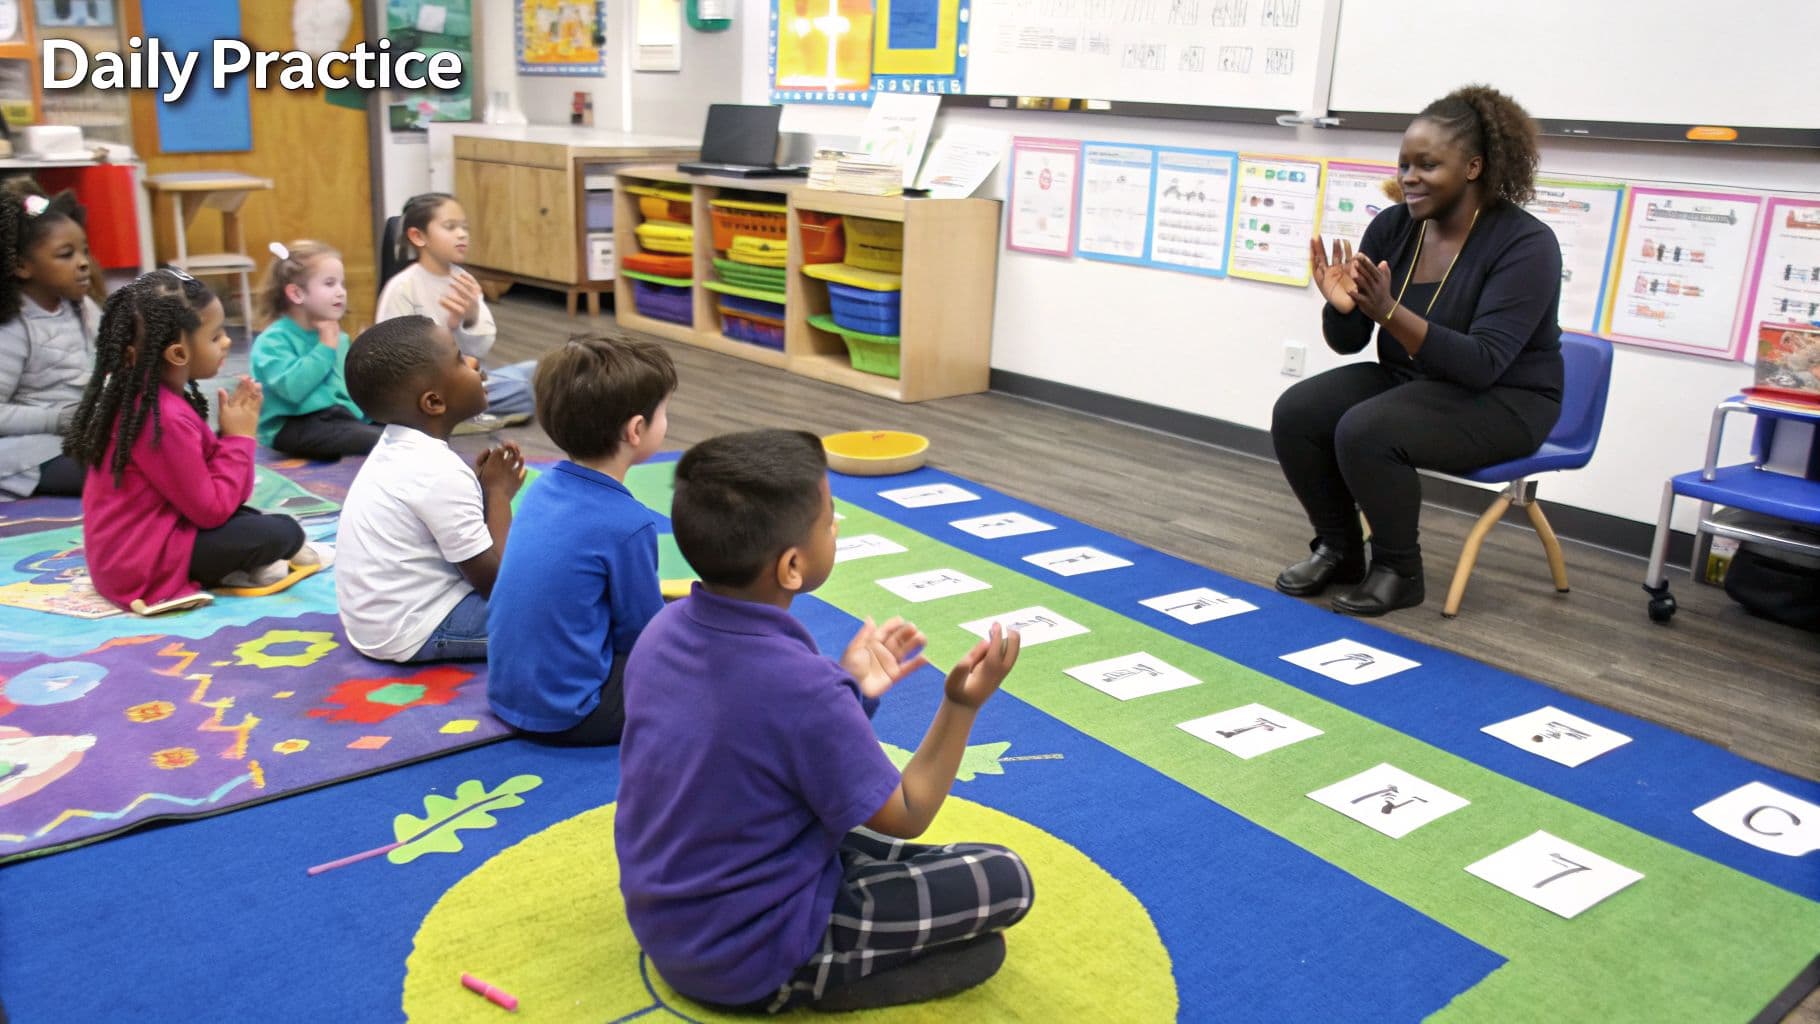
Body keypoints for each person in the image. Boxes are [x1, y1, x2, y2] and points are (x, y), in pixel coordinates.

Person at [616, 429, 1033, 1014]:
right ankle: (815, 979)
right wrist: (961, 706)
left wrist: (852, 690)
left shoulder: (663, 631)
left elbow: (762, 752)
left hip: (670, 920)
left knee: (847, 832)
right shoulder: (804, 687)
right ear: (791, 566)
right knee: (1007, 878)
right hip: (750, 955)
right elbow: (907, 814)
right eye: (830, 518)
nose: (836, 526)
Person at [1270, 84, 1564, 616]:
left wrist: (1388, 313)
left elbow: (1482, 364)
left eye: (1427, 165)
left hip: (1507, 401)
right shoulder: (1394, 227)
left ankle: (1398, 570)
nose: (1408, 177)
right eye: (1404, 164)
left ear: (1473, 167)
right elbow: (1351, 343)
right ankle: (1338, 550)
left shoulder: (1526, 245)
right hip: (1416, 382)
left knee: (1368, 428)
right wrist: (1342, 307)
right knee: (1298, 412)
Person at [66, 270, 320, 614]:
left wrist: (231, 440)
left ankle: (245, 561)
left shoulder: (149, 401)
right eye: (215, 337)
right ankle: (248, 560)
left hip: (132, 552)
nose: (227, 343)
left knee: (253, 520)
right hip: (145, 565)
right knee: (282, 532)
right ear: (178, 354)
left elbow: (212, 490)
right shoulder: (162, 417)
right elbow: (213, 510)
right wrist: (240, 438)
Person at [486, 334, 675, 745]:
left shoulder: (540, 488)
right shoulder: (629, 524)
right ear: (637, 429)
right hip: (575, 713)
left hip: (505, 694)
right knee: (701, 655)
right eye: (664, 413)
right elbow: (643, 638)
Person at [335, 314, 524, 662]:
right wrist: (497, 494)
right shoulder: (438, 472)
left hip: (378, 620)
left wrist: (482, 492)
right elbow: (501, 586)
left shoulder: (399, 445)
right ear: (434, 402)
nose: (474, 363)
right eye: (459, 359)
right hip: (415, 628)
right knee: (550, 617)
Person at [374, 192, 534, 421]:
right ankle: (456, 416)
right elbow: (393, 359)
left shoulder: (464, 281)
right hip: (425, 392)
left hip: (465, 381)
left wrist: (470, 317)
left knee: (536, 373)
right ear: (418, 236)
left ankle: (464, 412)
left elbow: (480, 350)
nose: (461, 235)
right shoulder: (402, 287)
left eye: (464, 228)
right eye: (450, 227)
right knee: (523, 390)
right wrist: (447, 337)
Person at [0, 181, 101, 499]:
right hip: (31, 452)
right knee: (124, 475)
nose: (83, 262)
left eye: (84, 251)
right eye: (66, 255)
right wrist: (57, 419)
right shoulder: (13, 327)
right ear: (22, 266)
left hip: (79, 435)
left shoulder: (82, 306)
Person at [250, 240, 381, 459]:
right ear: (297, 294)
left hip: (336, 417)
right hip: (292, 423)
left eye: (342, 284)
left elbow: (345, 388)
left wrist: (370, 414)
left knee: (399, 426)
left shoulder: (339, 337)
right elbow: (292, 389)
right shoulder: (272, 340)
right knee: (376, 441)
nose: (341, 292)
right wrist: (325, 347)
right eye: (330, 284)